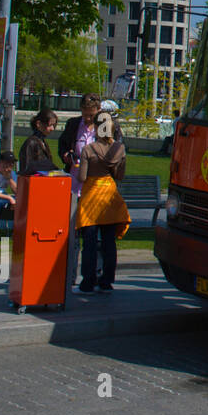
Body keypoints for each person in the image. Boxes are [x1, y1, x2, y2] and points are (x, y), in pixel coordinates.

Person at [75, 110, 130, 293]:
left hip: (91, 195)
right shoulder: (119, 149)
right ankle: (107, 280)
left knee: (89, 242)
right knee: (109, 241)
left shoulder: (88, 149)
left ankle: (88, 281)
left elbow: (82, 177)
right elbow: (119, 176)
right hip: (109, 196)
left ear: (97, 128)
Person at [19, 108, 60, 175]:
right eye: (50, 125)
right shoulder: (31, 142)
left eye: (54, 126)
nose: (52, 129)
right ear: (39, 124)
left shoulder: (42, 141)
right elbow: (26, 167)